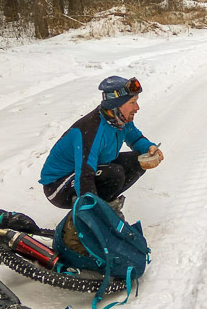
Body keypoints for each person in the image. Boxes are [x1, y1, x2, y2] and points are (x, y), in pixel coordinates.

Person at [39, 75, 164, 213]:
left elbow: (135, 139)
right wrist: (91, 211)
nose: (137, 107)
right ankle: (94, 214)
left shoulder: (121, 120)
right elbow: (85, 174)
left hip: (82, 173)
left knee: (137, 161)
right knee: (113, 174)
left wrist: (150, 148)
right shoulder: (91, 130)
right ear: (116, 104)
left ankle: (106, 206)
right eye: (132, 102)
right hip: (58, 186)